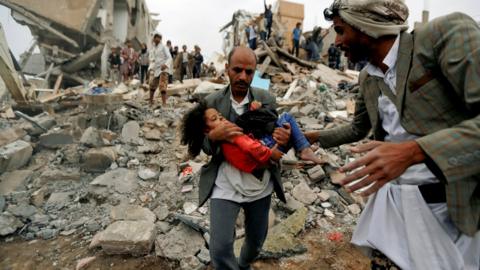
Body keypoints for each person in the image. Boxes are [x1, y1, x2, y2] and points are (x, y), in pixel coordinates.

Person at [307, 1, 480, 269]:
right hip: (394, 208)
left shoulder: (443, 37)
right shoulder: (367, 77)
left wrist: (413, 152)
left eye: (341, 31)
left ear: (365, 26)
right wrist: (314, 136)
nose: (337, 42)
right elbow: (357, 128)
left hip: (452, 209)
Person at [198, 46, 291, 270]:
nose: (242, 77)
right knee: (219, 248)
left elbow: (276, 139)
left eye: (249, 72)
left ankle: (244, 264)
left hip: (259, 184)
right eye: (237, 70)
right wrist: (214, 137)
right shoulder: (211, 102)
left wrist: (284, 137)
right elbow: (203, 146)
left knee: (256, 241)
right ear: (227, 69)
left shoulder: (266, 98)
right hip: (225, 183)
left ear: (255, 72)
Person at [181, 99, 324, 172]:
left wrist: (257, 110)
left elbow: (267, 119)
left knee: (285, 124)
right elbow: (251, 147)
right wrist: (212, 136)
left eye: (220, 116)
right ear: (227, 68)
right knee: (287, 116)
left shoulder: (261, 95)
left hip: (264, 149)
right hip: (264, 155)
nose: (222, 118)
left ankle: (304, 147)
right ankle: (305, 149)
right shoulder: (230, 134)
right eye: (215, 119)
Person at [148, 33, 172, 106]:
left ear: (160, 39)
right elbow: (153, 60)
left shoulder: (164, 47)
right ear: (154, 39)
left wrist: (165, 65)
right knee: (152, 85)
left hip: (163, 69)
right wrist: (150, 68)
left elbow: (169, 57)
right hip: (156, 69)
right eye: (156, 38)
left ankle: (164, 103)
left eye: (158, 38)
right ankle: (151, 101)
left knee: (162, 85)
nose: (157, 39)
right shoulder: (153, 49)